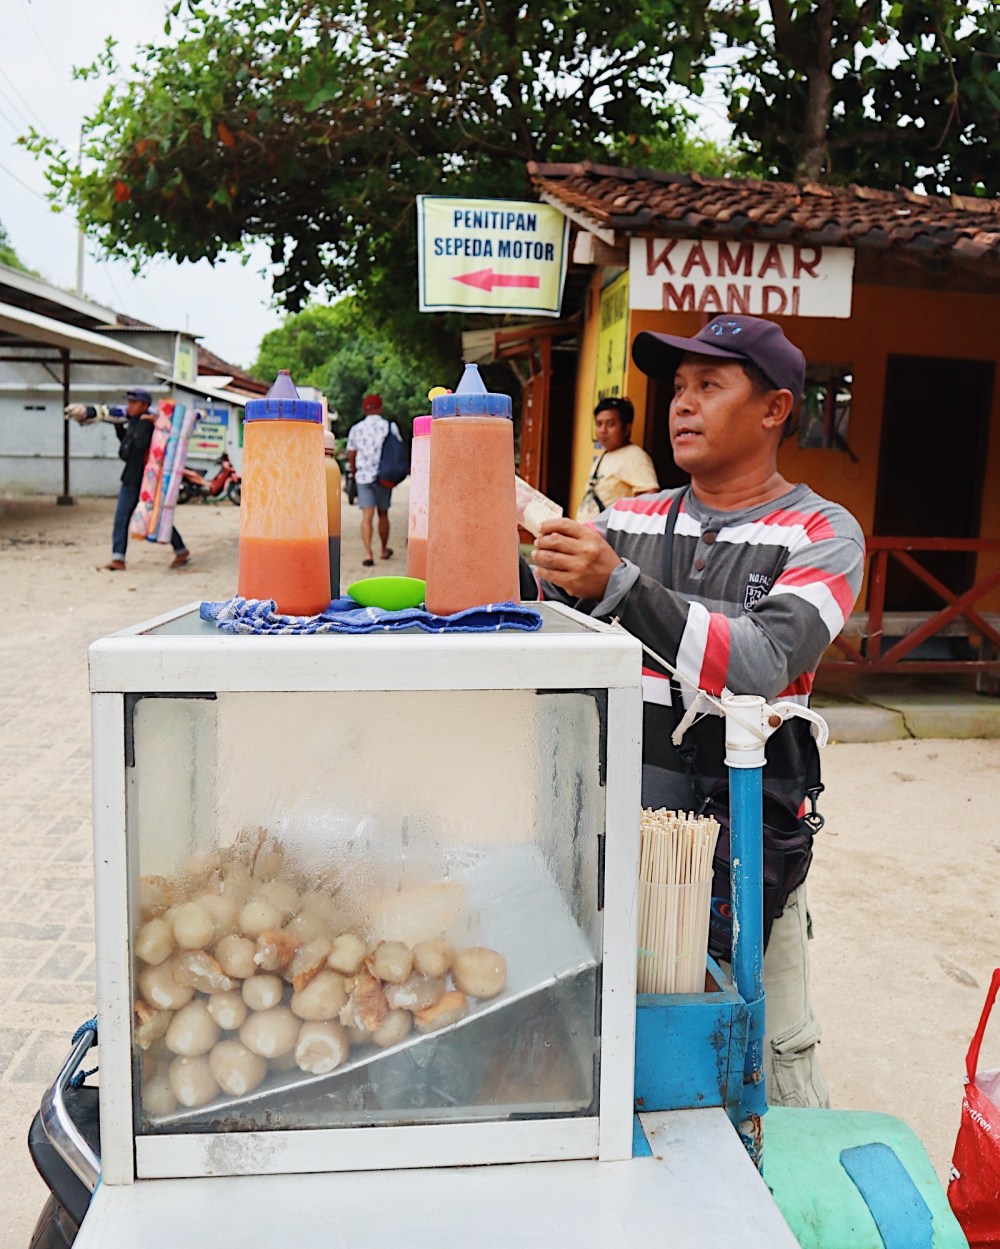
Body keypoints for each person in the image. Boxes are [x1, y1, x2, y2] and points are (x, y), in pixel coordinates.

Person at [529, 314, 865, 1108]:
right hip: (617, 844)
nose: (681, 404)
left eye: (710, 386)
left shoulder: (822, 532)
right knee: (613, 1048)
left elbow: (760, 664)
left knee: (763, 1062)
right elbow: (541, 624)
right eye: (677, 388)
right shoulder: (628, 522)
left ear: (776, 408)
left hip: (752, 854)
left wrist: (622, 585)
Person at [67, 387, 190, 572]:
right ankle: (118, 558)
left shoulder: (153, 424)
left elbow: (146, 445)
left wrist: (152, 424)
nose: (129, 406)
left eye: (133, 402)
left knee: (153, 516)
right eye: (129, 402)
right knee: (122, 518)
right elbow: (127, 450)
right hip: (131, 477)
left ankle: (181, 550)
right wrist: (119, 426)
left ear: (144, 405)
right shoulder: (133, 421)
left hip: (148, 481)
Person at [576, 396, 660, 521]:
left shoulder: (634, 456)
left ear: (626, 429)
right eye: (599, 424)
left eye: (611, 424)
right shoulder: (604, 456)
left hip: (609, 537)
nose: (603, 430)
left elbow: (649, 496)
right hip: (590, 534)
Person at [346, 393, 398, 567]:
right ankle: (383, 549)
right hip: (384, 475)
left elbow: (351, 453)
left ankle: (368, 553)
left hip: (363, 476)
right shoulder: (389, 426)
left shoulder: (356, 428)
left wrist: (354, 471)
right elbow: (397, 450)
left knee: (366, 515)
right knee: (383, 513)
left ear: (364, 409)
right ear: (380, 408)